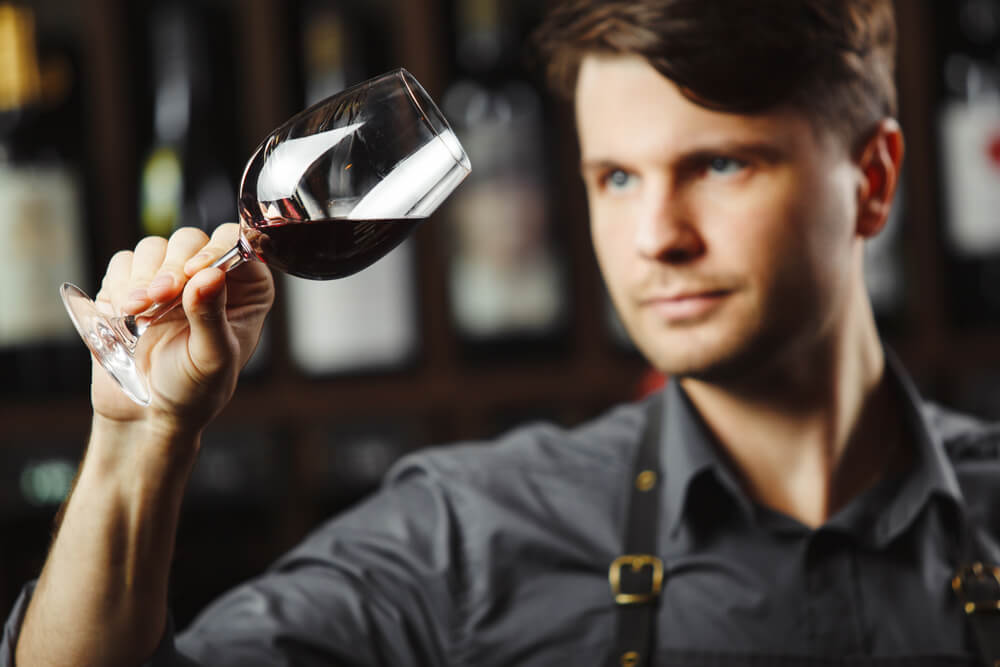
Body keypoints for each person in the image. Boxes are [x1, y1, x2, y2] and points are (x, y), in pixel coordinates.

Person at [6, 0, 1000, 665]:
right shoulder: (465, 538)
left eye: (721, 166)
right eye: (616, 178)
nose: (656, 237)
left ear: (870, 181)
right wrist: (141, 440)